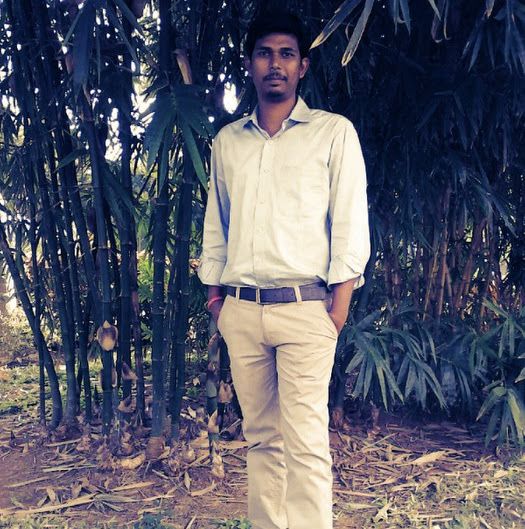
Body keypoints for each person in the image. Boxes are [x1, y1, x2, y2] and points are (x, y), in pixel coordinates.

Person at [198, 9, 370, 529]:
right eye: (265, 53)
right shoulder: (229, 142)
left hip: (306, 310)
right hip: (242, 312)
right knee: (261, 441)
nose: (276, 64)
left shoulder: (333, 133)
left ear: (303, 66)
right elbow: (216, 225)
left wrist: (336, 311)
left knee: (306, 443)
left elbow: (349, 224)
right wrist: (216, 302)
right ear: (250, 64)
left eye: (287, 54)